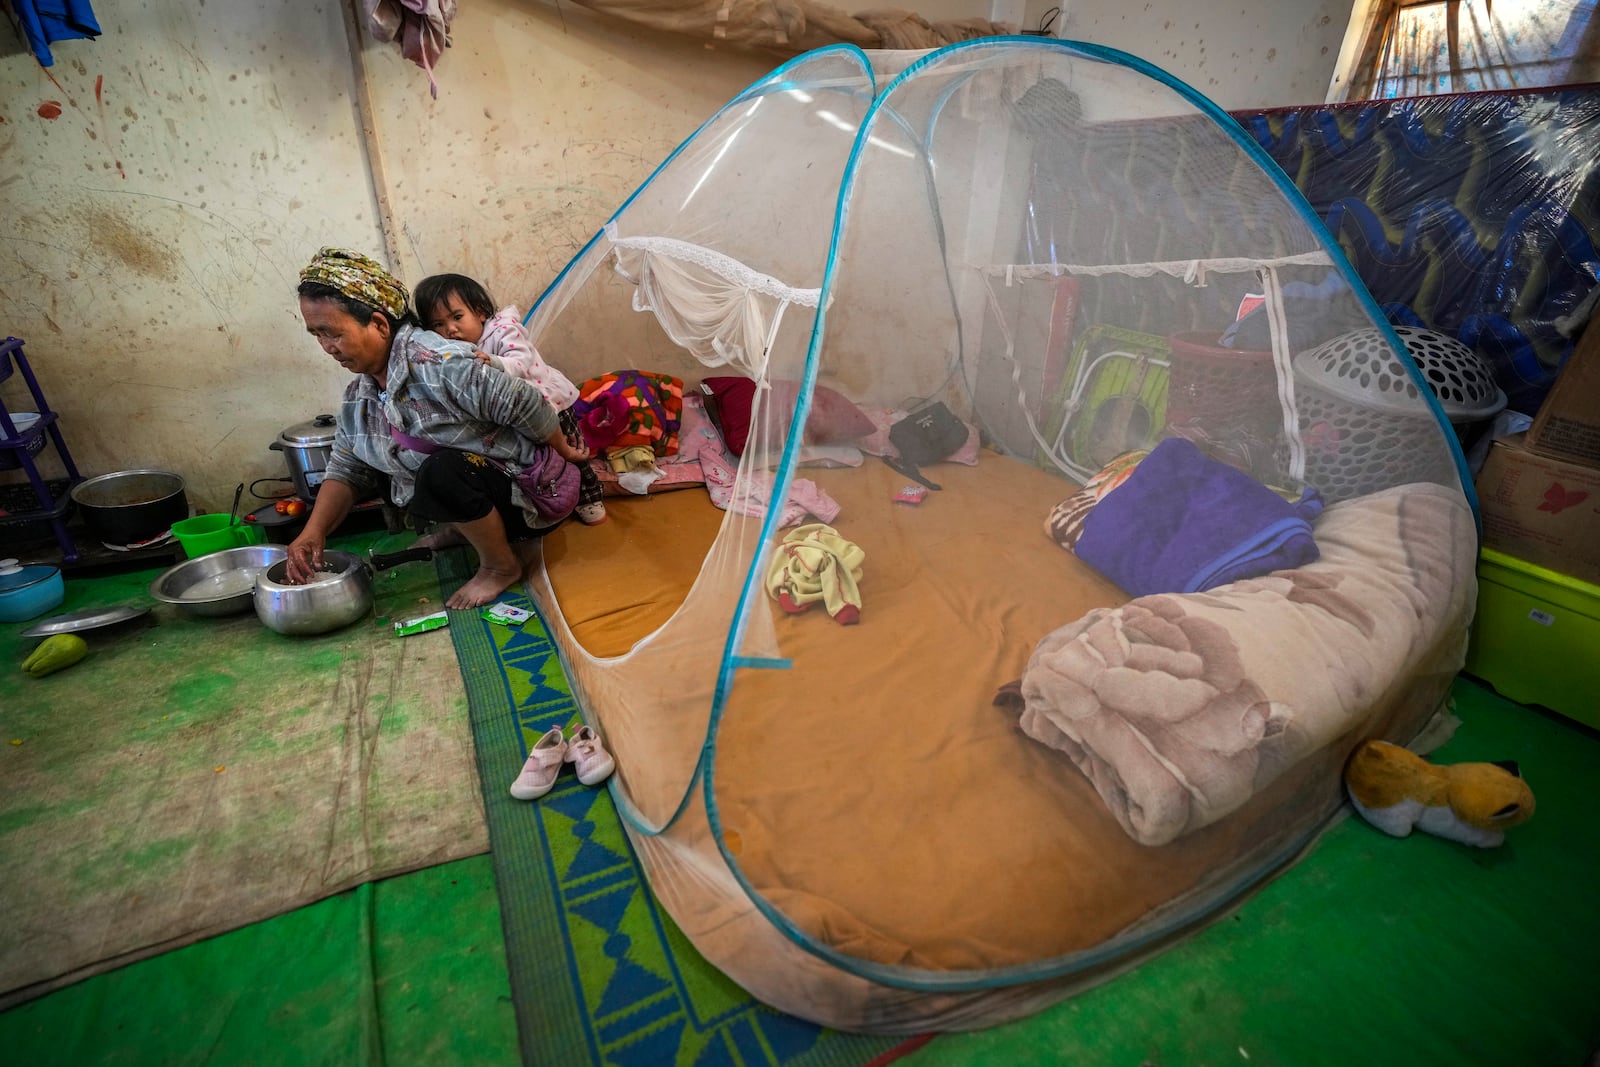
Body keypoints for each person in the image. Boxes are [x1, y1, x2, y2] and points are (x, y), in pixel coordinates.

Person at [287, 248, 590, 609]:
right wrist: (313, 531)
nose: (326, 347)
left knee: (441, 471)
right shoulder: (362, 393)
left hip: (531, 496)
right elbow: (348, 464)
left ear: (380, 325)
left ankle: (499, 565)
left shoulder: (439, 364)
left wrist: (563, 449)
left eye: (332, 333)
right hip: (484, 487)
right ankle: (465, 531)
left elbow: (526, 402)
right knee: (390, 462)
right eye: (317, 335)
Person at [414, 272, 607, 525]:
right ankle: (554, 494)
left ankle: (589, 497)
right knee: (543, 458)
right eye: (438, 325)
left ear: (481, 312)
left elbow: (523, 362)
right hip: (519, 414)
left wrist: (493, 361)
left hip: (551, 402)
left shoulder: (504, 330)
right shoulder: (453, 350)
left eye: (457, 317)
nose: (450, 329)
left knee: (573, 451)